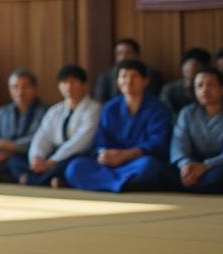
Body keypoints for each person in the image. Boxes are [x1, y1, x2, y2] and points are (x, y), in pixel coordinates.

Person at [66, 59, 172, 192]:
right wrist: (105, 154)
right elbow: (101, 140)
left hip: (137, 162)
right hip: (112, 164)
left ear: (145, 81)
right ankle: (121, 184)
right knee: (75, 167)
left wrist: (126, 155)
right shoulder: (110, 107)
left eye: (134, 76)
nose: (128, 81)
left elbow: (158, 142)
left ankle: (108, 184)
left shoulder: (158, 108)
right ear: (117, 81)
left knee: (149, 166)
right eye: (123, 76)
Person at [16, 65, 101, 187]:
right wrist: (37, 157)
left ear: (84, 85)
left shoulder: (94, 109)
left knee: (74, 165)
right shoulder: (55, 110)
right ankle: (51, 178)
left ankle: (34, 179)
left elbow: (81, 141)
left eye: (74, 82)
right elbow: (42, 135)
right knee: (15, 160)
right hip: (53, 154)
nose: (69, 86)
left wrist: (52, 161)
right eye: (64, 82)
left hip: (77, 154)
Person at [170, 67, 223, 194]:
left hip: (218, 165)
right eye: (199, 86)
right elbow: (178, 144)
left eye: (211, 85)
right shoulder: (187, 113)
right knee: (162, 172)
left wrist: (205, 166)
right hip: (192, 166)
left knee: (219, 176)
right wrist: (185, 165)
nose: (204, 90)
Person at [93, 38, 162, 102]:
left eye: (128, 53)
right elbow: (100, 100)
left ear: (137, 55)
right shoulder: (106, 76)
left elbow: (153, 98)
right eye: (119, 53)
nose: (123, 57)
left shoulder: (150, 74)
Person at [159, 47, 211, 114]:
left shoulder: (207, 90)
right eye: (187, 71)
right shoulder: (169, 90)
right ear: (182, 68)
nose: (190, 74)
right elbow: (164, 113)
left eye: (195, 69)